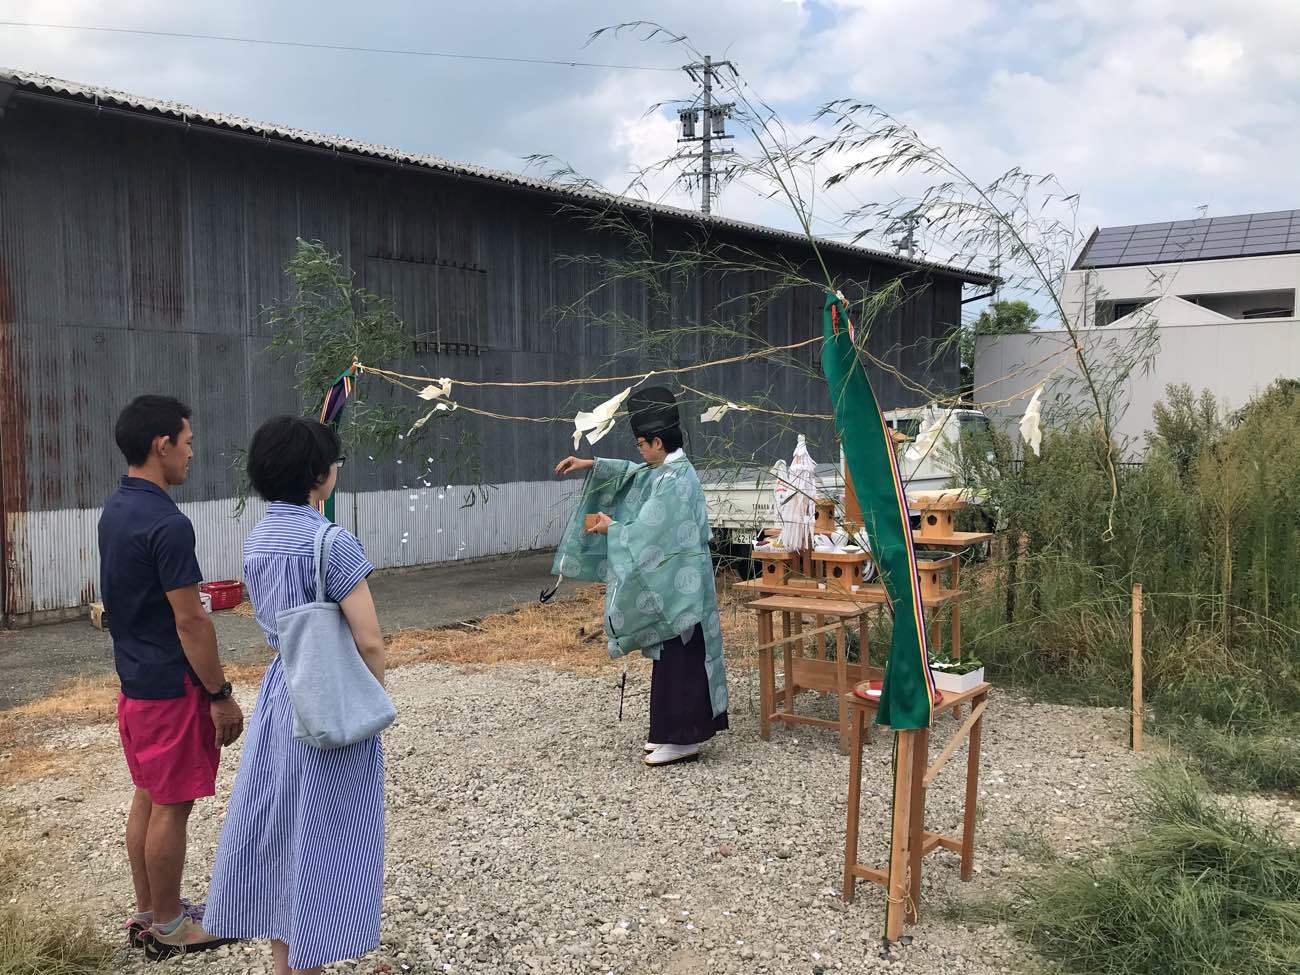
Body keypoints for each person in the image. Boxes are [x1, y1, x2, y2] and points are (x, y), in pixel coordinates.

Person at [202, 416, 386, 975]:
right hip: (330, 697)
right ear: (320, 474)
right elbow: (369, 639)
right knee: (328, 832)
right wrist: (374, 698)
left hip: (282, 695)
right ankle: (310, 961)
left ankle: (283, 959)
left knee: (282, 825)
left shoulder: (256, 541)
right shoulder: (332, 541)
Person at [99, 395, 245, 957]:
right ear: (162, 445)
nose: (190, 454)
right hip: (171, 687)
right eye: (186, 443)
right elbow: (191, 620)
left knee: (148, 796)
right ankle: (168, 926)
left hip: (135, 683)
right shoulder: (167, 522)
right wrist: (220, 693)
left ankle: (148, 913)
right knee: (171, 806)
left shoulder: (116, 509)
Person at [553, 386, 728, 766]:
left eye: (641, 445)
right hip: (678, 584)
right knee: (673, 656)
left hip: (683, 589)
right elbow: (635, 474)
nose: (639, 452)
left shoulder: (676, 482)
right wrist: (591, 465)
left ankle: (684, 738)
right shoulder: (670, 470)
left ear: (658, 442)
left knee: (682, 657)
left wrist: (612, 529)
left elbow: (648, 534)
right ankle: (669, 733)